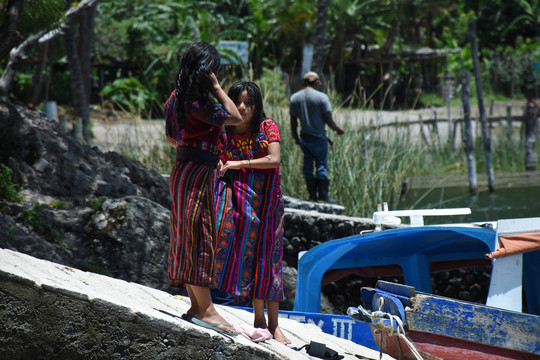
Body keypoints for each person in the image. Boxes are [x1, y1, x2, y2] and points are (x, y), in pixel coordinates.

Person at [165, 41, 244, 337]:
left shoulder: (175, 99)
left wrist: (192, 142)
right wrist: (217, 87)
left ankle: (196, 307)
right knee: (200, 235)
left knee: (188, 233)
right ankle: (207, 310)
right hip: (198, 172)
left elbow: (172, 138)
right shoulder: (199, 101)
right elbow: (235, 117)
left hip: (182, 169)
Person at [213, 81, 291, 345]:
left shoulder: (267, 127)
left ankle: (275, 325)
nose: (243, 107)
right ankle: (259, 321)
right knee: (250, 258)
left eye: (249, 102)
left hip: (269, 203)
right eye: (239, 102)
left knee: (270, 258)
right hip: (243, 205)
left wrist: (238, 163)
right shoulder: (225, 134)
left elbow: (275, 160)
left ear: (257, 106)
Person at [289, 71, 344, 202]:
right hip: (319, 139)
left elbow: (293, 121)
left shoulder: (295, 98)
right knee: (321, 166)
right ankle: (323, 196)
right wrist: (337, 129)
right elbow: (328, 118)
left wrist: (295, 137)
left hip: (305, 139)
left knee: (307, 167)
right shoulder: (322, 97)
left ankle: (312, 196)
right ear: (317, 83)